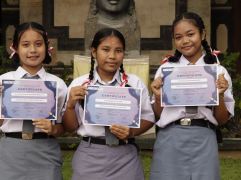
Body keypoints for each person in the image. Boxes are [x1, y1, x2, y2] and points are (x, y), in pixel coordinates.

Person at [149, 12, 235, 180]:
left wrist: (220, 95)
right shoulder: (166, 70)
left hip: (204, 137)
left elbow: (223, 120)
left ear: (202, 34)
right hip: (170, 137)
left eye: (190, 34)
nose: (185, 41)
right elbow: (158, 115)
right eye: (178, 37)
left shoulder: (218, 72)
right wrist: (158, 96)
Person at [62, 28, 154, 180]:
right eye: (105, 50)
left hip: (125, 156)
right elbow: (70, 127)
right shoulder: (79, 84)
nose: (112, 56)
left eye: (118, 50)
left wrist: (131, 133)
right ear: (94, 52)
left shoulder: (134, 83)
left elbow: (149, 118)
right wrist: (70, 104)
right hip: (89, 154)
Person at [0, 22, 67, 180]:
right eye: (26, 45)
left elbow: (65, 127)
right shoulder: (2, 83)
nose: (33, 50)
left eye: (38, 44)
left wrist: (53, 129)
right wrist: (2, 104)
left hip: (46, 151)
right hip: (11, 152)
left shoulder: (58, 85)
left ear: (47, 47)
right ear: (15, 48)